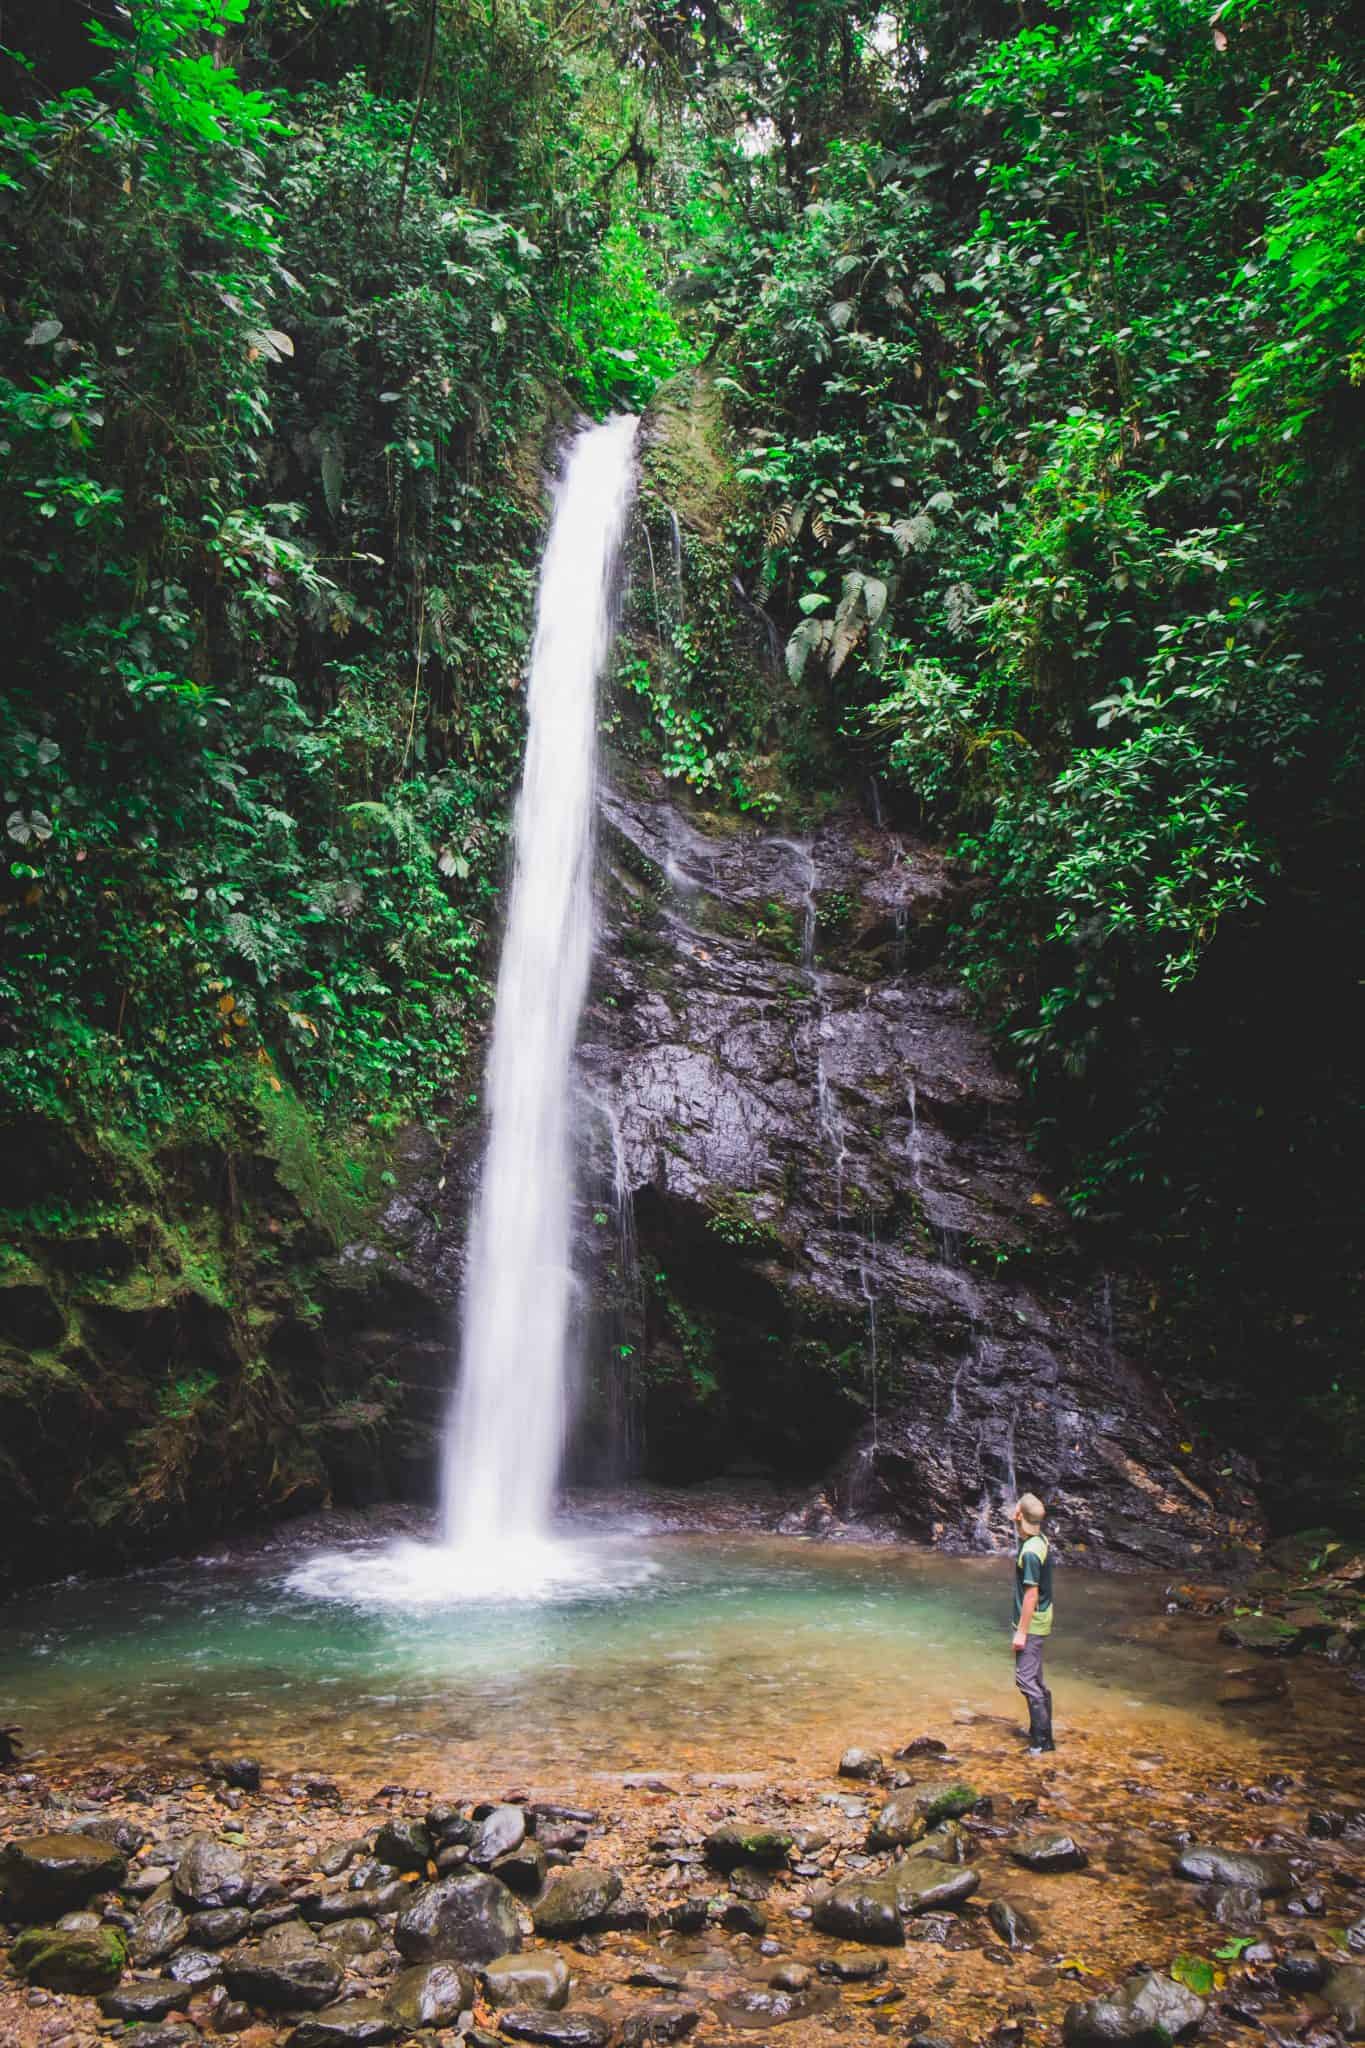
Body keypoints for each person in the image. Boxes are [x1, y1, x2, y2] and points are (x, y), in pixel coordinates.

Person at [1010, 1492, 1055, 1754]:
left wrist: (1021, 1633)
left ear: (1018, 1516)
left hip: (1032, 1622)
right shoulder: (1040, 1540)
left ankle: (1042, 1743)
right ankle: (1039, 1731)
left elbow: (1031, 1594)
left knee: (1025, 1680)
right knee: (1036, 1678)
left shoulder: (1029, 1553)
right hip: (1042, 1616)